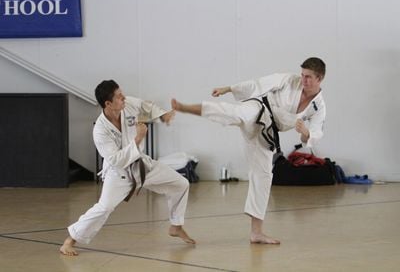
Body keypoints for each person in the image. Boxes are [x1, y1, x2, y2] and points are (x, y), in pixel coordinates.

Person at [171, 57, 326, 245]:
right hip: (259, 107)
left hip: (267, 130)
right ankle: (185, 107)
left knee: (264, 176)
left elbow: (313, 135)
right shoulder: (289, 80)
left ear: (320, 78)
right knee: (238, 114)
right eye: (302, 75)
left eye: (308, 77)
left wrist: (305, 133)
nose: (303, 80)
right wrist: (229, 88)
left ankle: (256, 233)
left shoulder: (319, 107)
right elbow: (259, 83)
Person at [60, 80, 195, 256]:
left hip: (142, 163)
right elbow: (116, 160)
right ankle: (69, 241)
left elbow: (146, 106)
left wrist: (163, 116)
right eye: (118, 96)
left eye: (121, 93)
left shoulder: (128, 104)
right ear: (108, 103)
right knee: (104, 207)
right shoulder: (100, 130)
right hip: (119, 173)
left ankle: (176, 226)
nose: (123, 97)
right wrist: (138, 139)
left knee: (181, 184)